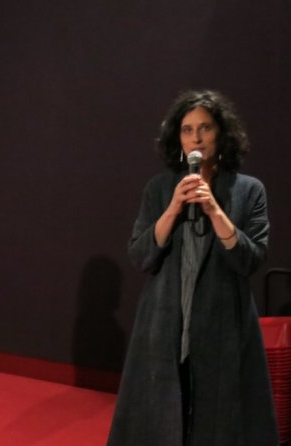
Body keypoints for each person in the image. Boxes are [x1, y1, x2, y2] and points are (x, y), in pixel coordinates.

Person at [106, 90, 279, 445]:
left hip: (222, 321)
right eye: (187, 130)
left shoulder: (249, 190)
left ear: (222, 134)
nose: (196, 138)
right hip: (164, 320)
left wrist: (214, 210)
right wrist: (172, 209)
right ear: (179, 139)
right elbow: (140, 256)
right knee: (161, 415)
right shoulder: (159, 188)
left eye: (205, 128)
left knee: (218, 419)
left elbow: (251, 260)